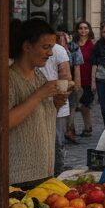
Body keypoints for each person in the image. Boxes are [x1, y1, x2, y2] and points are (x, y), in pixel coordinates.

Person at [8, 19, 69, 185]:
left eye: (51, 47)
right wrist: (39, 94)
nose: (50, 53)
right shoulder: (10, 78)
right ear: (27, 46)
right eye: (45, 47)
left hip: (43, 171)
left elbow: (39, 116)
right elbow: (4, 121)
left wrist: (56, 103)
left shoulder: (39, 76)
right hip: (20, 175)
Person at [40, 31, 71, 174]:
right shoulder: (57, 49)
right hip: (43, 101)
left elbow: (65, 76)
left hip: (53, 100)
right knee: (50, 138)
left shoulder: (58, 50)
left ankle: (57, 169)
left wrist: (59, 99)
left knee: (55, 138)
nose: (49, 53)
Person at [72, 21, 95, 138]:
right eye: (81, 28)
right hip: (75, 78)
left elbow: (95, 63)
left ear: (89, 30)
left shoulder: (92, 44)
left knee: (84, 104)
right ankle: (80, 128)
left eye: (86, 28)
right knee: (76, 104)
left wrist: (93, 81)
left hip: (88, 78)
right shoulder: (74, 44)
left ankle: (88, 127)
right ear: (77, 30)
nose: (83, 30)